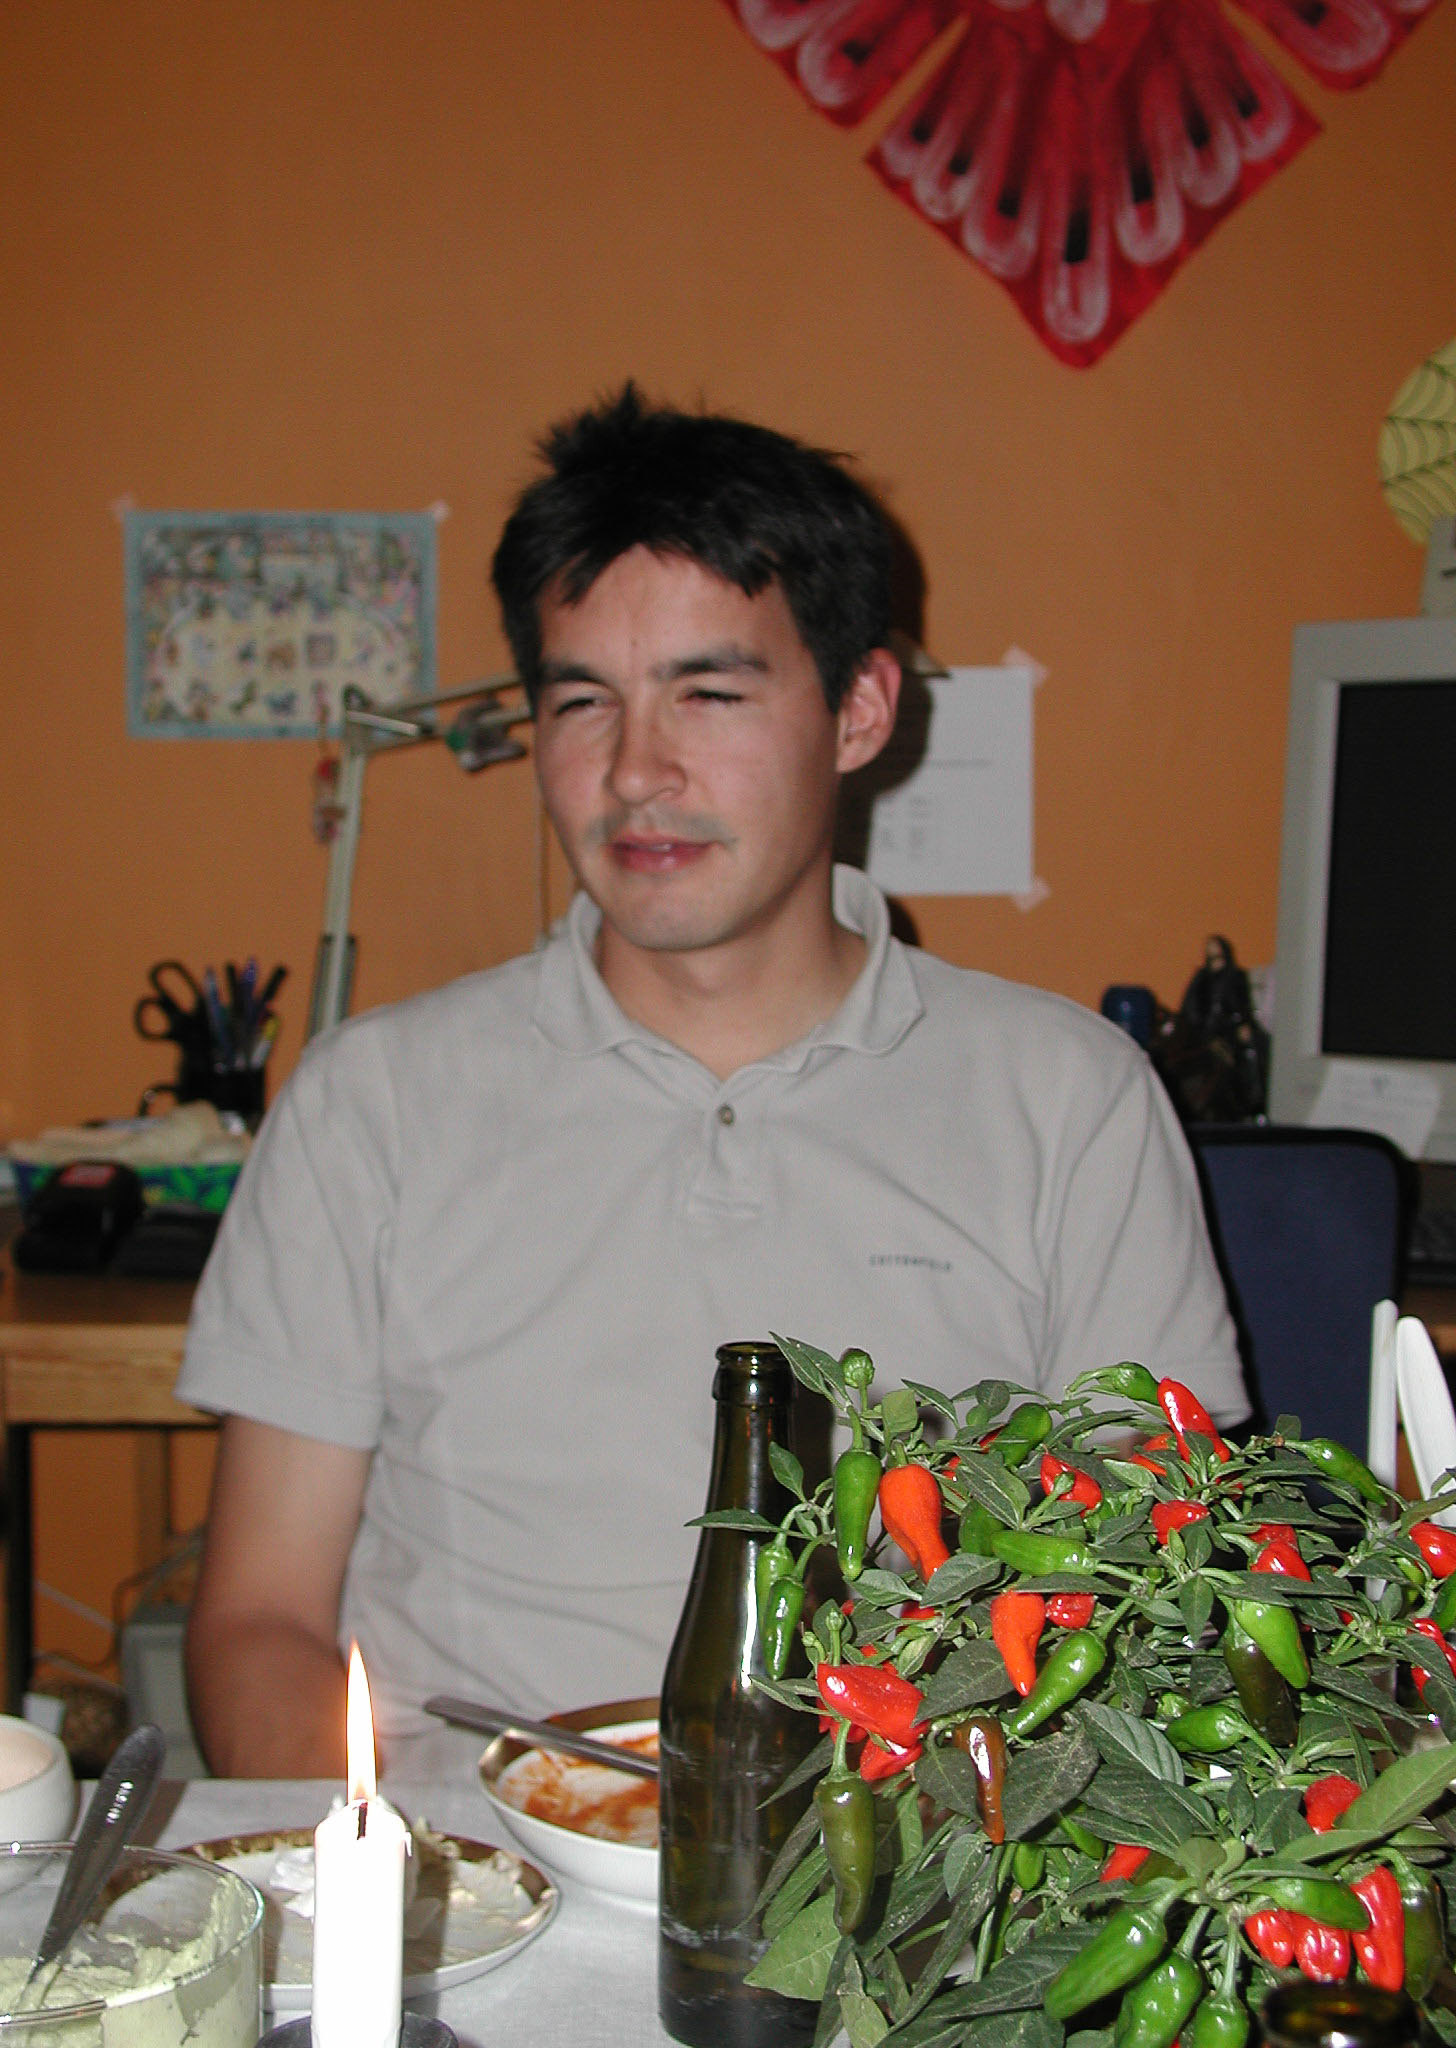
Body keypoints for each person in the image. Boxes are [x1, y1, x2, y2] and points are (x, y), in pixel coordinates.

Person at [179, 387, 1245, 1777]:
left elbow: (1150, 1609)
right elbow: (259, 1622)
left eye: (710, 693)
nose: (635, 772)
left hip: (905, 1865)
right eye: (583, 702)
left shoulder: (1071, 1101)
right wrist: (395, 1874)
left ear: (860, 709)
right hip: (476, 1859)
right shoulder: (367, 1104)